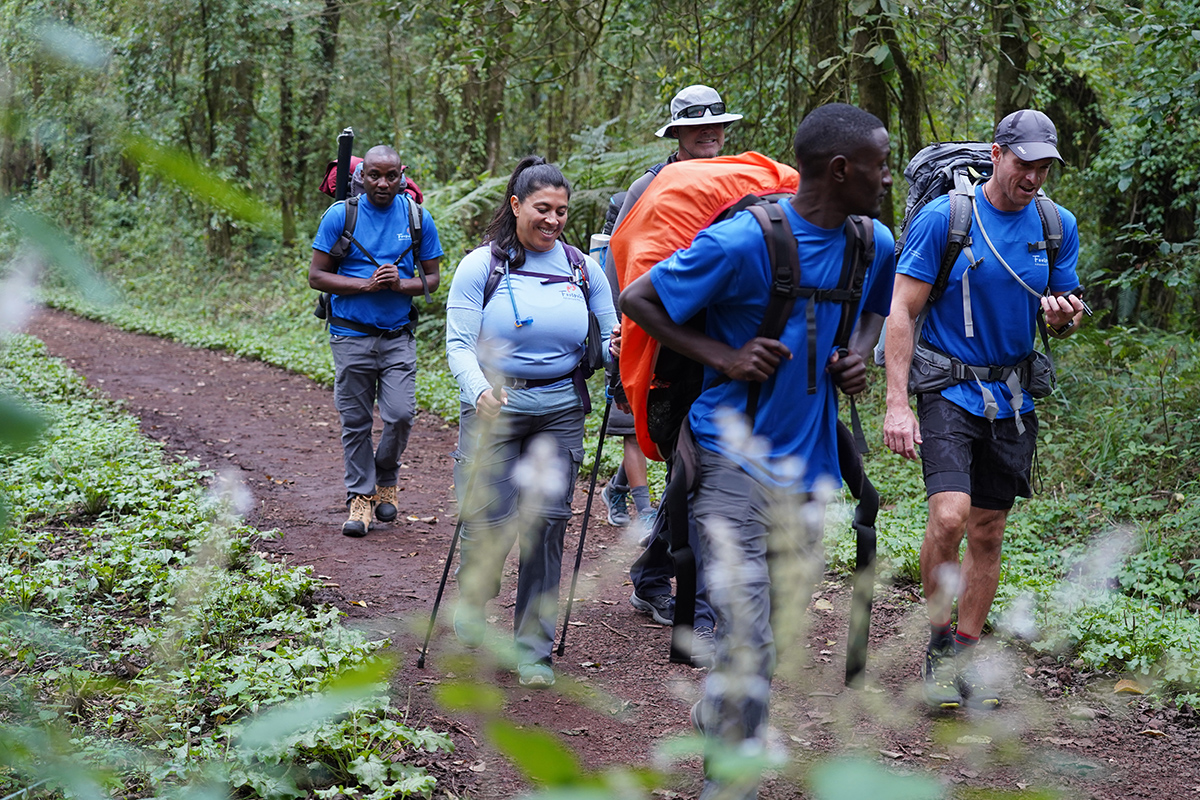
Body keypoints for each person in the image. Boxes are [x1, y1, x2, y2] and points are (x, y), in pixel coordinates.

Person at [621, 103, 895, 799]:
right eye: (881, 165)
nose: (889, 178)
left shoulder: (874, 243)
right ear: (842, 170)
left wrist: (857, 354)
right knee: (750, 640)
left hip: (811, 469)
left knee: (768, 637)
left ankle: (718, 714)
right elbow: (640, 297)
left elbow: (873, 310)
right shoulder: (742, 242)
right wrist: (725, 356)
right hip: (728, 463)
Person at [882, 109, 1085, 710]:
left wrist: (1064, 319)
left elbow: (1066, 311)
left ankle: (964, 657)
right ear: (997, 155)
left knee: (989, 530)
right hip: (947, 387)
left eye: (1044, 167)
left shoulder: (1056, 225)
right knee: (949, 518)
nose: (1034, 177)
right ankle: (938, 645)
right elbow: (902, 310)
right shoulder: (947, 219)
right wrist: (897, 404)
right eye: (1024, 163)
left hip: (1012, 396)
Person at [445, 156, 618, 688]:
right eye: (543, 208)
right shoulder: (481, 266)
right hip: (494, 406)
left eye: (562, 211)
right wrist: (478, 390)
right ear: (517, 205)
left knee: (546, 526)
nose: (553, 220)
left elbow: (613, 332)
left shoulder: (581, 268)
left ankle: (533, 650)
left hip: (561, 407)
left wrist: (619, 350)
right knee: (488, 523)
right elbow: (458, 343)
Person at [605, 84, 742, 653]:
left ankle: (653, 575)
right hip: (665, 349)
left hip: (721, 343)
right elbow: (621, 258)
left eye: (715, 124)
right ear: (677, 134)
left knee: (696, 473)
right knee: (694, 472)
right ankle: (689, 598)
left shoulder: (737, 180)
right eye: (695, 126)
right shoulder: (650, 187)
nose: (708, 133)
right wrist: (620, 333)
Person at [309, 145, 443, 537]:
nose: (382, 184)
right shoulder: (341, 215)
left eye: (390, 176)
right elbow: (317, 276)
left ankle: (385, 476)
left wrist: (401, 284)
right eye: (374, 175)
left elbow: (433, 279)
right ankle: (360, 496)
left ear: (402, 175)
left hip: (397, 335)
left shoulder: (417, 218)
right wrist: (365, 285)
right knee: (356, 421)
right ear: (361, 176)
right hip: (350, 334)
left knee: (400, 415)